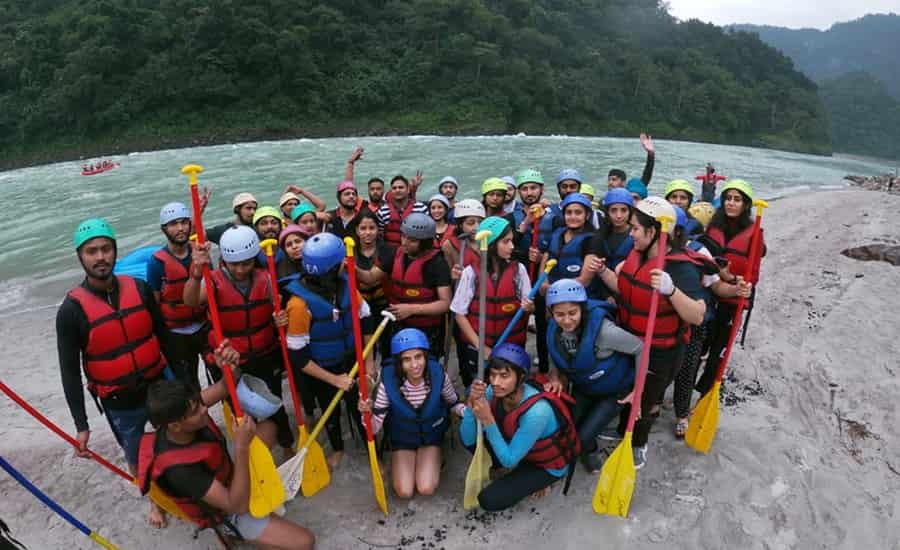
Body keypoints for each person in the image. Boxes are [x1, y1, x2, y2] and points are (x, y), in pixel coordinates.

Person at [57, 218, 171, 527]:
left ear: (115, 251)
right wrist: (81, 425)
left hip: (158, 384)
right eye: (91, 251)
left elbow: (165, 338)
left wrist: (183, 383)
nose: (100, 257)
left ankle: (180, 487)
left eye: (106, 249)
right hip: (119, 399)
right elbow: (69, 372)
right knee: (136, 455)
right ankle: (155, 502)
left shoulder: (141, 289)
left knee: (174, 440)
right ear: (80, 257)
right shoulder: (71, 311)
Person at [139, 370, 315, 549]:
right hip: (226, 509)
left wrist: (228, 362)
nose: (204, 409)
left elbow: (226, 383)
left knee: (268, 428)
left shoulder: (185, 410)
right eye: (195, 411)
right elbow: (236, 506)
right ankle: (230, 532)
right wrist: (241, 447)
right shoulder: (181, 471)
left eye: (200, 403)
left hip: (225, 473)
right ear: (175, 425)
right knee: (305, 542)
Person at [594, 197, 706, 469]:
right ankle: (623, 428)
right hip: (632, 340)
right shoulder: (637, 253)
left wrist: (671, 290)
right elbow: (627, 291)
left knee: (648, 399)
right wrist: (605, 272)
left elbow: (697, 315)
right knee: (629, 389)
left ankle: (638, 443)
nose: (630, 233)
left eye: (635, 228)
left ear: (653, 231)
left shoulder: (679, 267)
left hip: (661, 350)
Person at [182, 226, 295, 457]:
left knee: (275, 405)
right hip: (230, 360)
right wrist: (195, 274)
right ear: (224, 260)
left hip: (264, 353)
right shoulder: (212, 280)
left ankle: (287, 447)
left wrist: (280, 319)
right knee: (242, 413)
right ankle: (250, 455)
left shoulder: (266, 279)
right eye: (234, 264)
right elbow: (191, 301)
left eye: (246, 263)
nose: (241, 269)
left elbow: (279, 312)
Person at [281, 233, 374, 468]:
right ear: (331, 269)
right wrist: (334, 380)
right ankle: (338, 448)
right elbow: (298, 357)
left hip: (354, 361)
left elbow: (366, 323)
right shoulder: (298, 305)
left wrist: (369, 364)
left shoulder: (346, 287)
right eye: (341, 262)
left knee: (359, 408)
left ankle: (373, 452)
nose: (346, 264)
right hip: (321, 368)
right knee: (329, 412)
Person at [460, 343, 580, 511]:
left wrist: (488, 420)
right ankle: (512, 471)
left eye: (504, 376)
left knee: (489, 500)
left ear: (521, 377)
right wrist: (471, 403)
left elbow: (509, 461)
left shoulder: (538, 412)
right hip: (519, 450)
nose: (495, 382)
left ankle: (542, 482)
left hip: (545, 465)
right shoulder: (494, 391)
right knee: (469, 438)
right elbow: (467, 438)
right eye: (493, 375)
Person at [668, 205, 751, 437]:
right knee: (660, 369)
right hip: (662, 323)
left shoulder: (699, 251)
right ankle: (653, 405)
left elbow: (716, 286)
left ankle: (682, 414)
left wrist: (736, 289)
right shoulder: (650, 251)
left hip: (693, 324)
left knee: (687, 369)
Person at [544, 280, 642, 472]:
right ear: (552, 313)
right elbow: (555, 353)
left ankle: (589, 450)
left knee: (581, 439)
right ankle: (589, 448)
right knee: (567, 428)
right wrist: (555, 377)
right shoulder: (554, 329)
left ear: (583, 309)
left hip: (614, 392)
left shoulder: (605, 332)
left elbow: (641, 348)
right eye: (560, 314)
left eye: (572, 313)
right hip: (585, 386)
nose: (566, 320)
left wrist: (638, 392)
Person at [358, 329, 464, 498]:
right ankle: (410, 461)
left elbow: (453, 403)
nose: (414, 365)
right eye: (407, 359)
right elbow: (374, 427)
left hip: (431, 437)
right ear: (399, 362)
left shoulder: (438, 375)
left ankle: (435, 457)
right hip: (403, 439)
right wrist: (366, 412)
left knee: (426, 488)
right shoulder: (389, 383)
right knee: (404, 492)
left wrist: (469, 413)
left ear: (425, 356)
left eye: (418, 357)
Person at [694, 180, 765, 397]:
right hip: (708, 294)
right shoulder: (713, 226)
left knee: (718, 351)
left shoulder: (755, 233)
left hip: (733, 299)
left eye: (737, 199)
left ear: (745, 205)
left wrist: (733, 279)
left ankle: (705, 390)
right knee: (699, 345)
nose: (731, 203)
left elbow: (752, 275)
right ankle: (685, 387)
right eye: (728, 198)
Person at [450, 217, 533, 387]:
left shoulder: (519, 271)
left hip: (510, 347)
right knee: (480, 388)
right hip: (479, 346)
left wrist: (529, 308)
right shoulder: (470, 273)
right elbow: (459, 314)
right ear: (492, 244)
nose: (512, 246)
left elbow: (528, 308)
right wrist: (482, 347)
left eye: (511, 241)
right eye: (506, 241)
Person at [148, 202, 207, 389]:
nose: (180, 228)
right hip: (176, 333)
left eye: (183, 222)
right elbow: (154, 302)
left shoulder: (199, 251)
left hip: (204, 326)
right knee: (188, 385)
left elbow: (214, 287)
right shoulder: (156, 263)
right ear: (163, 229)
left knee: (220, 374)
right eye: (173, 224)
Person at [383, 213, 452, 354]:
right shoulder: (396, 254)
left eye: (412, 240)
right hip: (398, 324)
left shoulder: (437, 264)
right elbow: (371, 277)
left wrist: (411, 309)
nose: (404, 243)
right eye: (403, 236)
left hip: (428, 329)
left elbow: (445, 303)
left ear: (425, 242)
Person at [347, 210, 392, 359]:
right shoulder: (349, 251)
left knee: (388, 347)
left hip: (384, 306)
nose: (368, 233)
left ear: (378, 230)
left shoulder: (387, 250)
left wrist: (352, 266)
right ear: (356, 230)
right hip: (359, 307)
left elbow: (371, 278)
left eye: (372, 228)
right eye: (363, 228)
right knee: (365, 350)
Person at [540, 194, 598, 296]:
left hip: (577, 298)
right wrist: (542, 282)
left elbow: (585, 280)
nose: (573, 217)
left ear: (587, 215)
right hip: (551, 295)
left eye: (578, 213)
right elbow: (546, 258)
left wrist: (554, 290)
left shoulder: (592, 241)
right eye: (568, 212)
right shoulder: (557, 233)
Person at [585, 188, 635, 273]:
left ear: (630, 212)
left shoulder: (636, 236)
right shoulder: (600, 235)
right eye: (613, 210)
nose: (619, 216)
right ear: (607, 212)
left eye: (623, 210)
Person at [441, 199, 485, 283]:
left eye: (480, 222)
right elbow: (445, 277)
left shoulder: (488, 240)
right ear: (460, 224)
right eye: (470, 223)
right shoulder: (449, 245)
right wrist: (452, 275)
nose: (477, 227)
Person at [377, 174, 427, 247]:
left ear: (408, 190)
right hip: (391, 251)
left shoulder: (421, 208)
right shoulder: (383, 211)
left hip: (415, 251)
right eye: (394, 188)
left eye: (401, 187)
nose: (397, 190)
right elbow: (380, 235)